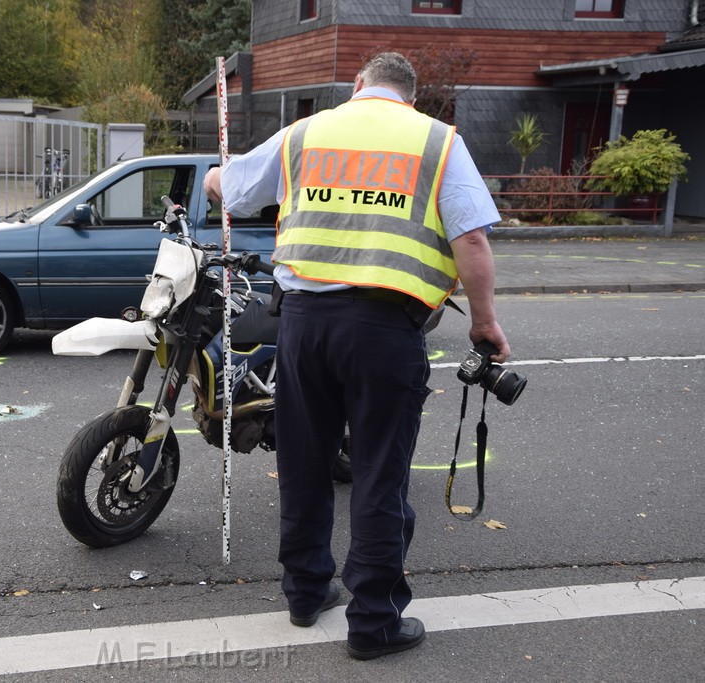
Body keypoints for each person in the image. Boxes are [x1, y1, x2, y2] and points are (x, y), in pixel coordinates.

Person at [204, 51, 510, 661]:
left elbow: (229, 188)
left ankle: (304, 593)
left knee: (304, 463)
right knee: (377, 474)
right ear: (410, 98)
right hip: (383, 329)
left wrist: (219, 176)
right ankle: (372, 625)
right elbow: (470, 236)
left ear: (358, 87)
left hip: (302, 326)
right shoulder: (435, 141)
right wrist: (485, 323)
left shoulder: (308, 132)